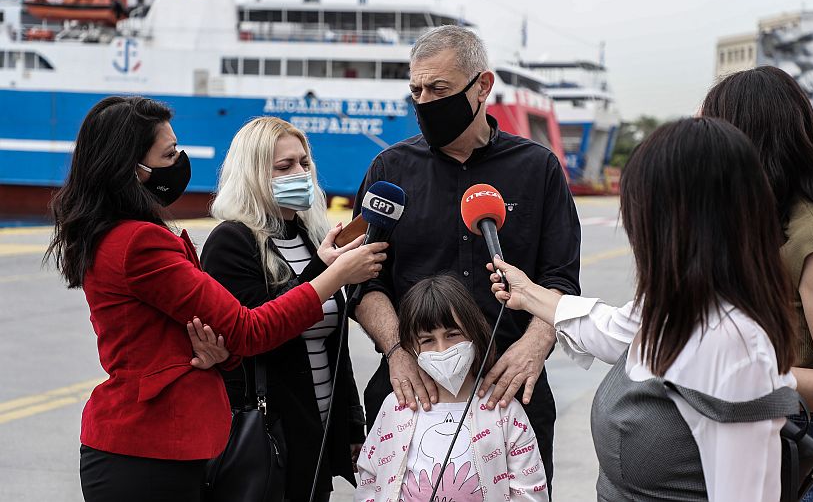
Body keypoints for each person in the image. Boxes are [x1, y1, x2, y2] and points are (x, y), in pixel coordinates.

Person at [44, 96, 387, 502]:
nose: (180, 161)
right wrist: (336, 276)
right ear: (133, 169)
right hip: (148, 448)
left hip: (162, 448)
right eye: (169, 154)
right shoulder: (140, 242)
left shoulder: (120, 234)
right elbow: (250, 329)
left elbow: (203, 336)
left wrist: (222, 354)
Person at [490, 118, 800, 501]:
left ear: (677, 222)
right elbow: (608, 328)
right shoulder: (675, 308)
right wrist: (527, 293)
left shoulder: (734, 347)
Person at [352, 25, 581, 492]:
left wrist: (534, 346)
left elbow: (560, 279)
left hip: (510, 392)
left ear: (482, 86)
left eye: (439, 89)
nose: (425, 102)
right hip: (411, 392)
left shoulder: (537, 168)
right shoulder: (389, 170)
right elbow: (363, 281)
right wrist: (397, 352)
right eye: (416, 91)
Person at [702, 65, 813, 501]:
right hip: (755, 445)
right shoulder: (756, 222)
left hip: (805, 462)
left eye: (712, 132)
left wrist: (736, 369)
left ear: (745, 140)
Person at [200, 117, 366, 501]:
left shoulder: (310, 238)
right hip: (269, 433)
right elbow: (261, 329)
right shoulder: (232, 242)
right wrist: (328, 272)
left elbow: (335, 345)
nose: (301, 174)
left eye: (304, 163)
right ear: (255, 174)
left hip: (320, 431)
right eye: (284, 166)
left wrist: (351, 424)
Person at [355, 274, 548, 502]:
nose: (442, 349)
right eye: (427, 340)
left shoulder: (505, 411)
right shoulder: (396, 407)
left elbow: (529, 490)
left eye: (452, 335)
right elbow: (370, 478)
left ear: (475, 333)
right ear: (411, 348)